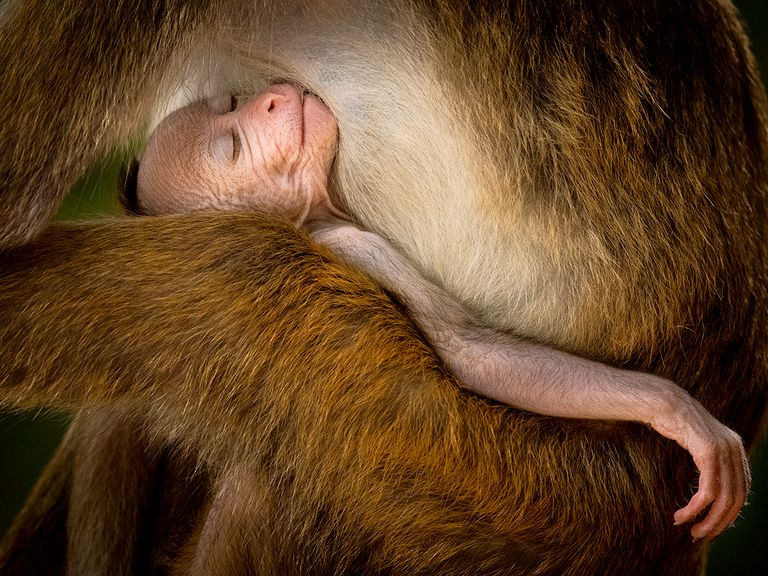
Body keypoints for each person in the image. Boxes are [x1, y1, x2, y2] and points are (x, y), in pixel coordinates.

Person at [127, 83, 748, 536]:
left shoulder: (339, 217)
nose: (261, 103)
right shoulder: (341, 250)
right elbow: (473, 356)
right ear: (247, 235)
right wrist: (663, 404)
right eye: (233, 147)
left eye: (231, 101)